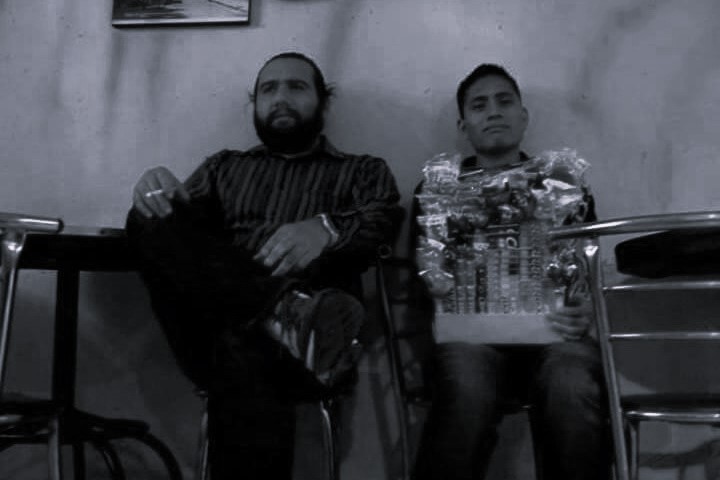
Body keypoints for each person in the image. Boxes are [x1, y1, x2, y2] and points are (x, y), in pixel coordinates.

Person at [125, 51, 403, 480]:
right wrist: (154, 189)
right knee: (147, 215)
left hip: (313, 351)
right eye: (269, 89)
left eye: (296, 87)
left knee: (244, 349)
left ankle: (281, 320)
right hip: (207, 336)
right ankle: (280, 309)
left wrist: (326, 228)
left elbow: (384, 219)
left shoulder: (361, 171)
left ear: (323, 102)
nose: (281, 98)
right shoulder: (224, 168)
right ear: (255, 103)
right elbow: (174, 239)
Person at [412, 64, 610, 480]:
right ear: (463, 125)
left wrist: (586, 307)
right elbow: (422, 277)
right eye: (479, 105)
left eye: (504, 102)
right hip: (469, 338)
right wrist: (437, 284)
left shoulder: (563, 183)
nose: (493, 112)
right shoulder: (438, 188)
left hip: (554, 335)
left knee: (573, 379)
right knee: (467, 381)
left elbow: (586, 268)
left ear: (523, 116)